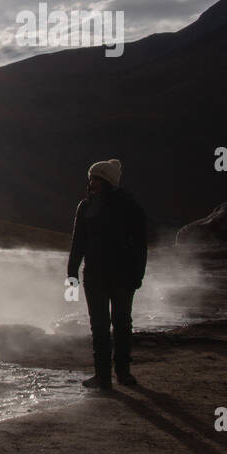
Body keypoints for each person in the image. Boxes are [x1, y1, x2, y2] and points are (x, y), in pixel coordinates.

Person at [67, 159, 147, 390]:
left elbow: (140, 245)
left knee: (121, 322)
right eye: (91, 178)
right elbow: (78, 242)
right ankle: (102, 375)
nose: (91, 182)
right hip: (93, 274)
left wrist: (137, 274)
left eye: (96, 178)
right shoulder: (85, 207)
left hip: (122, 274)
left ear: (107, 181)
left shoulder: (129, 207)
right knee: (99, 324)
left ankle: (123, 372)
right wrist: (72, 271)